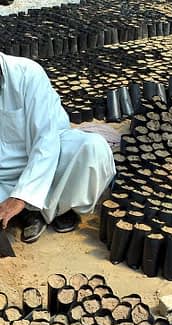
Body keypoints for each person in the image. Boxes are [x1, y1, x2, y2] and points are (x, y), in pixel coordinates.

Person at [0, 52, 116, 243]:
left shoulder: (27, 74)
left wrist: (21, 197)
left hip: (48, 159)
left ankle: (57, 209)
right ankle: (34, 212)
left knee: (92, 149)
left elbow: (46, 140)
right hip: (3, 175)